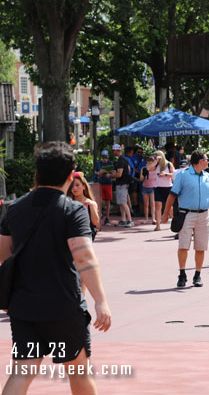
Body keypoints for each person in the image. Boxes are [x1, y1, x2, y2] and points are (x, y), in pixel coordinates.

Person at [0, 142, 111, 395]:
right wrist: (100, 300)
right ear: (72, 175)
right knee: (79, 372)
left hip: (24, 307)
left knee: (21, 372)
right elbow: (84, 258)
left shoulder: (14, 209)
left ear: (37, 172)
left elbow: (4, 256)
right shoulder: (72, 210)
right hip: (64, 306)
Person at [161, 150, 209, 287]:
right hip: (186, 214)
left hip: (204, 214)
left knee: (201, 247)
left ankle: (197, 275)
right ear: (200, 161)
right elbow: (172, 195)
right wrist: (165, 214)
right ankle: (182, 274)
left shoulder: (207, 176)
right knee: (183, 246)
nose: (208, 161)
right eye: (206, 159)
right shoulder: (183, 175)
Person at [67, 172, 100, 241]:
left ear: (84, 186)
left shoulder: (91, 203)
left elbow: (95, 222)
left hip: (85, 235)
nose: (74, 188)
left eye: (77, 185)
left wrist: (91, 205)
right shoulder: (68, 202)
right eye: (72, 186)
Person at [110, 144, 134, 227]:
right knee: (121, 202)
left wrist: (111, 175)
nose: (113, 152)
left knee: (123, 202)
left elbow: (119, 174)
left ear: (117, 151)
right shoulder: (124, 159)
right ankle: (123, 219)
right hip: (122, 183)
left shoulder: (121, 160)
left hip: (122, 184)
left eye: (114, 150)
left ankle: (130, 220)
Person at [153, 150, 174, 231]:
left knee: (170, 207)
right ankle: (158, 225)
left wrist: (165, 174)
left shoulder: (169, 164)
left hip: (168, 187)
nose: (156, 158)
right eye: (155, 157)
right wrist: (155, 162)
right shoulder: (156, 165)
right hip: (158, 187)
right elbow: (149, 168)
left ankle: (174, 222)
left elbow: (174, 174)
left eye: (157, 156)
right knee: (158, 206)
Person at [94, 149, 114, 226]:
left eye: (105, 157)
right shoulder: (99, 163)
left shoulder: (110, 163)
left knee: (108, 201)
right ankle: (100, 215)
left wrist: (106, 172)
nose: (104, 158)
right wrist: (99, 173)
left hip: (108, 183)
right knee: (100, 201)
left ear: (108, 156)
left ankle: (107, 218)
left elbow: (113, 171)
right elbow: (95, 171)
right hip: (101, 183)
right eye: (103, 157)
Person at [140, 155, 157, 224]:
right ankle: (146, 219)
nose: (150, 162)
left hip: (153, 187)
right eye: (149, 161)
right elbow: (141, 179)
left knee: (152, 203)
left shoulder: (156, 169)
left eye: (151, 161)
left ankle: (153, 219)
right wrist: (144, 173)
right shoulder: (143, 168)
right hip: (145, 187)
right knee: (146, 204)